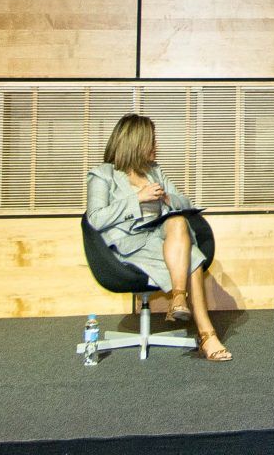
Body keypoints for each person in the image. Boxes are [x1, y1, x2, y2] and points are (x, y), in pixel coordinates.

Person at [86, 114, 229, 362]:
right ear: (136, 143)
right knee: (192, 257)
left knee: (178, 221)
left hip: (162, 237)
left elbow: (186, 202)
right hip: (131, 244)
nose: (156, 146)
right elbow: (96, 218)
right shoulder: (103, 175)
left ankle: (178, 298)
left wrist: (167, 199)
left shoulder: (154, 172)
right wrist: (137, 199)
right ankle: (207, 336)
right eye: (151, 141)